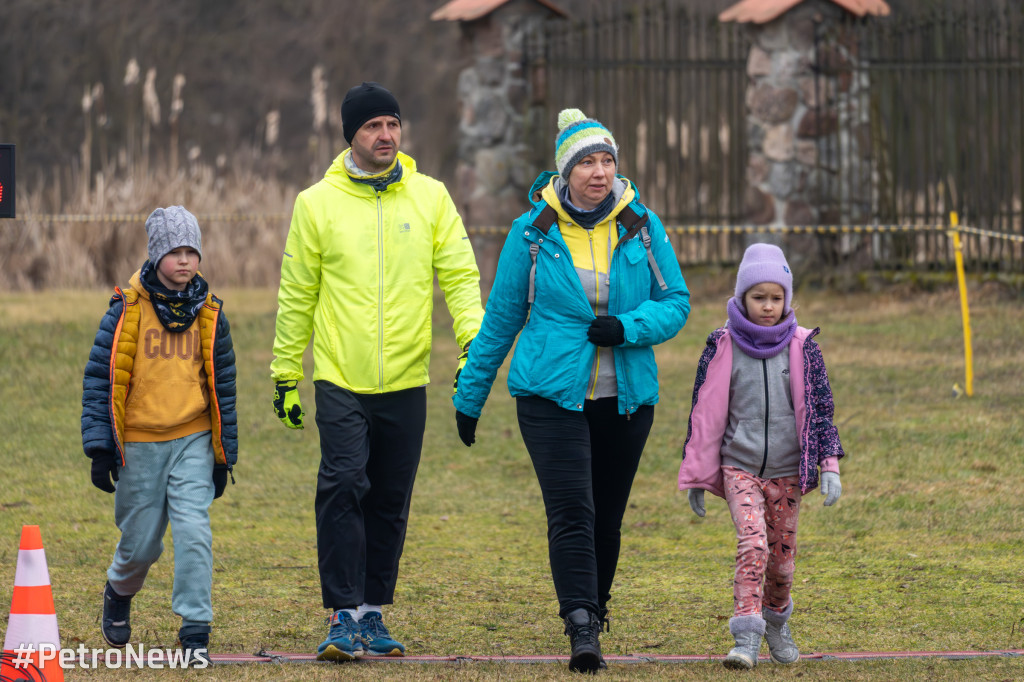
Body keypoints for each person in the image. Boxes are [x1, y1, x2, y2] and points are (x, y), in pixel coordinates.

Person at [452, 108, 690, 673]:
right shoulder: (532, 232)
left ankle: (596, 609)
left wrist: (629, 328)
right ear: (565, 172)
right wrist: (470, 396)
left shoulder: (642, 225)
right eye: (587, 162)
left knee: (606, 518)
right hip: (549, 396)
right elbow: (503, 318)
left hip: (626, 397)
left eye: (607, 161)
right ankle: (581, 625)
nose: (599, 172)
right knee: (573, 513)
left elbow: (676, 302)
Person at [271, 81, 484, 661]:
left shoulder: (432, 197)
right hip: (340, 376)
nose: (385, 134)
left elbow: (461, 279)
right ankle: (342, 615)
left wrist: (474, 348)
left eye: (392, 124)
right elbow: (297, 294)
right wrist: (286, 374)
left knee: (389, 497)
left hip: (407, 380)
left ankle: (371, 612)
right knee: (343, 483)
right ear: (351, 136)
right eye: (373, 126)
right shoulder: (315, 203)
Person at [81, 206, 237, 667]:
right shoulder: (126, 311)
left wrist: (222, 455)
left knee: (194, 530)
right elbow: (99, 379)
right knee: (141, 544)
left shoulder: (210, 313)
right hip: (139, 445)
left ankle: (195, 629)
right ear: (156, 255)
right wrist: (99, 447)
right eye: (175, 252)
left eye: (192, 251)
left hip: (192, 437)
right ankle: (120, 587)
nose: (185, 261)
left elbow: (223, 385)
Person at [677, 243, 845, 670]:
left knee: (782, 564)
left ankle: (775, 623)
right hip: (740, 466)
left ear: (787, 299)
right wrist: (696, 474)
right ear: (741, 298)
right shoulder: (721, 344)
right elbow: (702, 410)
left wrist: (829, 466)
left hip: (788, 472)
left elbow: (822, 410)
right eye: (758, 298)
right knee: (753, 546)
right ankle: (746, 637)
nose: (768, 307)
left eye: (776, 298)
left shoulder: (805, 348)